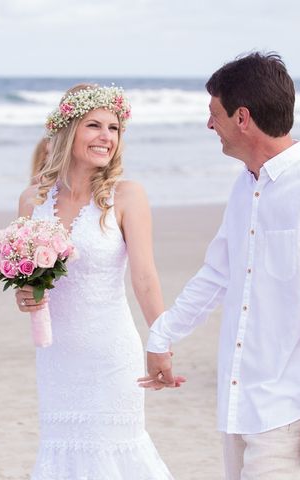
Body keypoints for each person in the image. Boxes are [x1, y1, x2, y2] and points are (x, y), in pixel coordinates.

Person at [139, 52, 300, 479]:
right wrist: (162, 334)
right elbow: (216, 275)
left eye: (214, 114)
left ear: (242, 117)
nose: (209, 125)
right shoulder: (245, 187)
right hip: (238, 402)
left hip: (289, 410)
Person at [14, 84, 179, 479]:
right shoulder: (31, 200)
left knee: (114, 453)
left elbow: (144, 277)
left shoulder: (127, 196)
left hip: (111, 355)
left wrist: (161, 344)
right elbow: (27, 280)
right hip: (57, 357)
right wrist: (24, 296)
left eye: (114, 128)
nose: (107, 137)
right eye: (94, 125)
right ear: (69, 128)